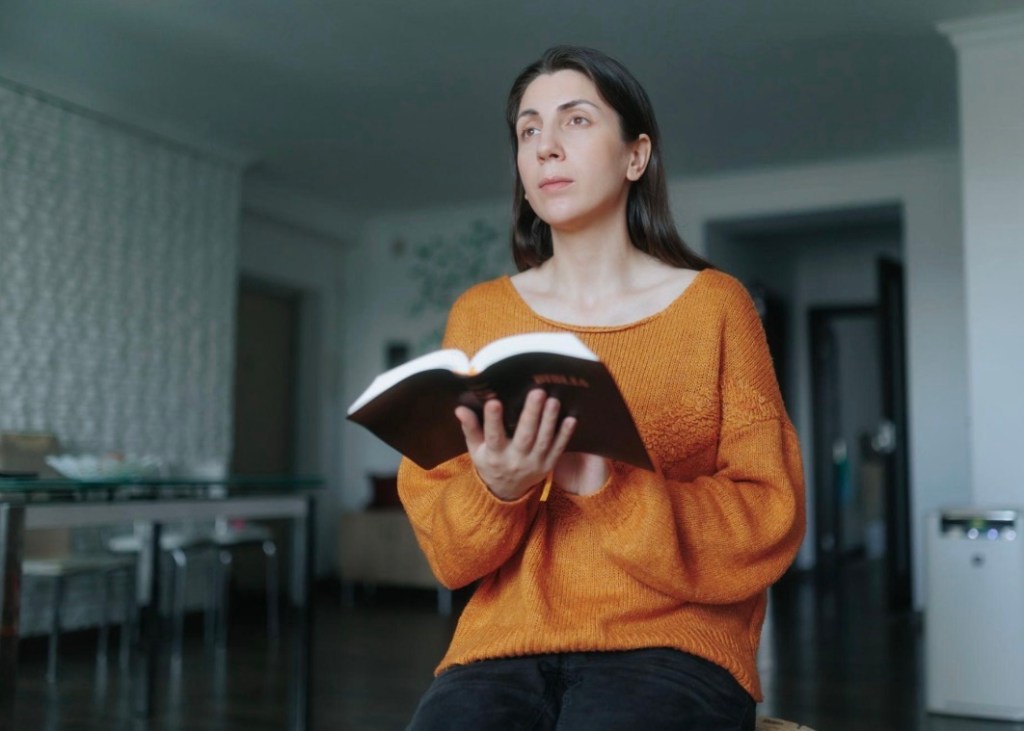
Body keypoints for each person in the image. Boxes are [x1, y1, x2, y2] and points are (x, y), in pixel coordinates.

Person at [398, 45, 805, 731]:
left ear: (635, 156)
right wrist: (498, 489)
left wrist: (606, 484)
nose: (546, 146)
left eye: (576, 120)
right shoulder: (480, 314)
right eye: (528, 130)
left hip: (676, 644)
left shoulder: (715, 307)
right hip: (499, 645)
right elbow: (449, 555)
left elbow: (769, 516)